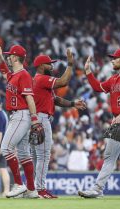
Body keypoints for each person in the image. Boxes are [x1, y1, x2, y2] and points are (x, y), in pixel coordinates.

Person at [78, 49, 120, 198]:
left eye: (115, 58)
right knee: (109, 157)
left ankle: (97, 189)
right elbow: (98, 87)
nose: (112, 60)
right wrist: (88, 71)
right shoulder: (114, 78)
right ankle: (97, 189)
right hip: (116, 120)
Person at [31, 50, 86, 198]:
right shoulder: (41, 78)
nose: (51, 65)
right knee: (43, 155)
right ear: (41, 65)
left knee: (37, 156)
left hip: (38, 118)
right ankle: (40, 190)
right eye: (49, 63)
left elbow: (57, 100)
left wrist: (73, 103)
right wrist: (70, 64)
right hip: (41, 119)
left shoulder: (40, 81)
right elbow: (63, 81)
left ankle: (34, 189)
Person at [0, 44, 38, 198]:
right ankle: (32, 190)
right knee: (23, 153)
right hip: (18, 115)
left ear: (15, 57)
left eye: (9, 55)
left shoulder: (24, 75)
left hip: (21, 114)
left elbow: (29, 97)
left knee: (6, 147)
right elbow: (4, 71)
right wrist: (0, 57)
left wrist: (34, 119)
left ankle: (19, 184)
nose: (8, 57)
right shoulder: (14, 75)